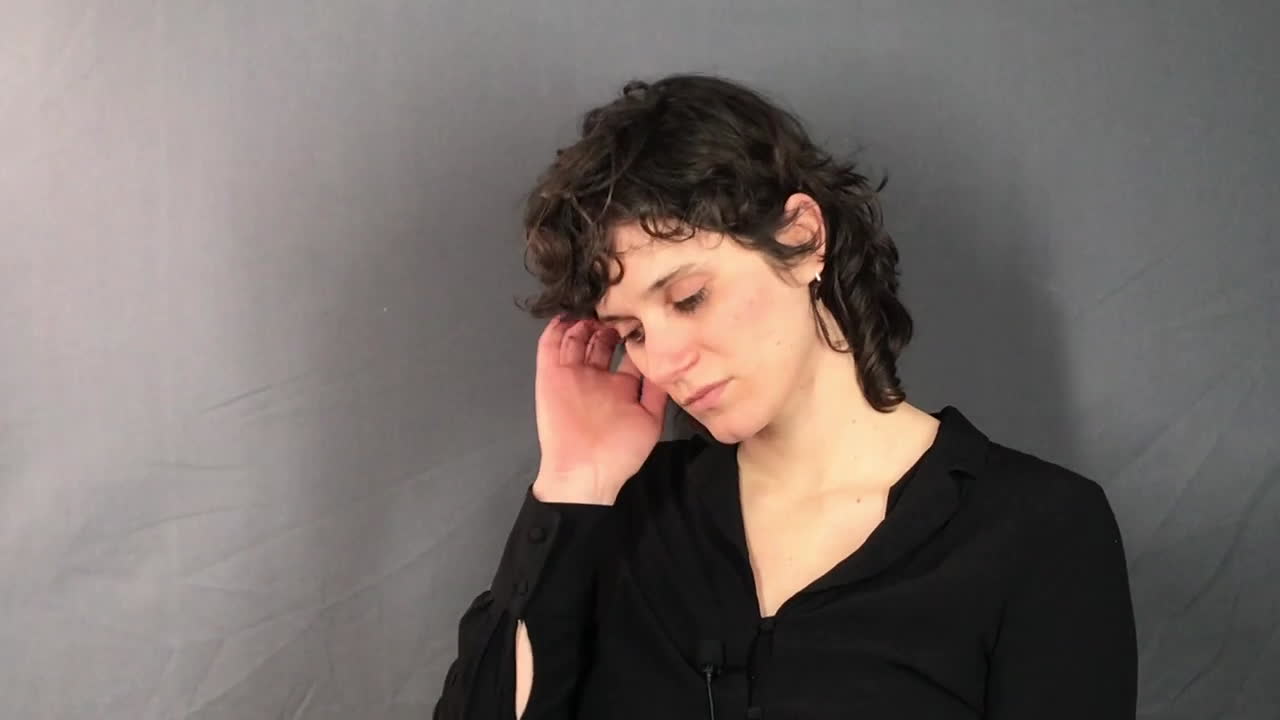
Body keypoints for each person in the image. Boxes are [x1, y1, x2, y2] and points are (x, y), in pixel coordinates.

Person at [433, 74, 1137, 720]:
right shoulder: (618, 516)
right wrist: (573, 484)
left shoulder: (1036, 529)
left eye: (690, 296)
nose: (665, 361)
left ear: (802, 239)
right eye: (632, 333)